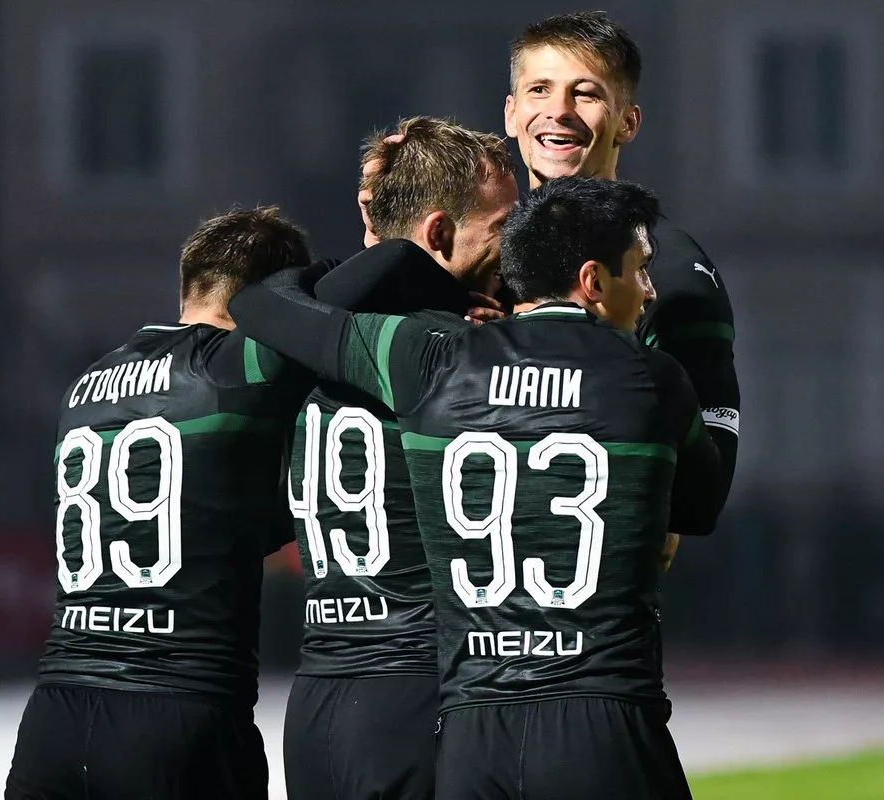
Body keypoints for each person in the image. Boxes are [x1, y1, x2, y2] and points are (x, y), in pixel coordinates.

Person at [230, 176, 727, 799]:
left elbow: (263, 305)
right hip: (601, 713)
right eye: (641, 270)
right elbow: (700, 506)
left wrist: (401, 258)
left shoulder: (433, 358)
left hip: (472, 728)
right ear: (594, 282)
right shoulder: (654, 377)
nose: (651, 291)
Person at [5, 207, 314, 800]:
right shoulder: (239, 368)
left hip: (54, 716)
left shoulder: (85, 385)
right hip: (179, 713)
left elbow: (205, 512)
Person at [282, 116, 517, 800]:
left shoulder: (298, 347)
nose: (517, 247)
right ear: (439, 234)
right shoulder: (450, 352)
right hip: (418, 688)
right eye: (504, 228)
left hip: (316, 696)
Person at [504, 11, 741, 560]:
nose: (558, 110)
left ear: (627, 123)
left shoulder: (672, 270)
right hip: (464, 602)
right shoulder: (474, 252)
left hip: (596, 589)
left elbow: (700, 496)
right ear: (512, 114)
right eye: (539, 89)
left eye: (585, 93)